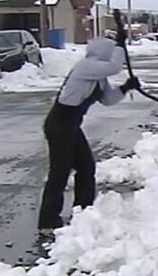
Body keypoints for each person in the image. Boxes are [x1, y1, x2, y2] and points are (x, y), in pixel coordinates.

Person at [37, 32, 140, 238]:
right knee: (60, 172)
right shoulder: (87, 66)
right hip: (59, 125)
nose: (113, 56)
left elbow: (108, 99)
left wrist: (125, 87)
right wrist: (120, 46)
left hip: (71, 125)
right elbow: (114, 66)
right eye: (111, 52)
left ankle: (83, 214)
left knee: (86, 167)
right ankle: (47, 221)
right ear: (104, 53)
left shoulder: (99, 77)